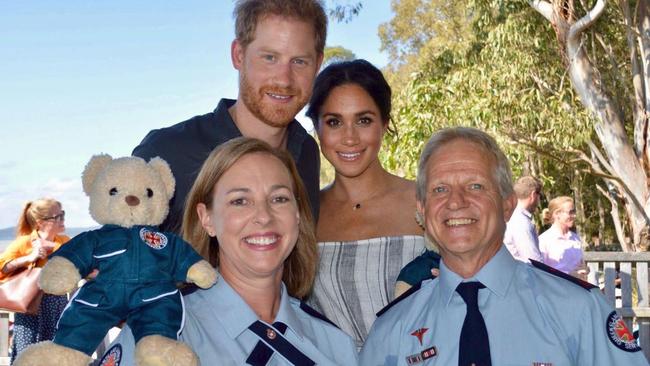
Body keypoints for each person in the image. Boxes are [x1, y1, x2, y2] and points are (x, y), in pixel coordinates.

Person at [360, 127, 648, 365]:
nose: (456, 201)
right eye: (440, 189)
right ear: (422, 209)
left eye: (475, 186)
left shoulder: (579, 310)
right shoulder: (392, 331)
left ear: (507, 204)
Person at [100, 137, 358, 365]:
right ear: (207, 218)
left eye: (279, 198)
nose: (264, 217)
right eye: (240, 201)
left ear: (298, 214)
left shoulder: (335, 345)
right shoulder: (160, 334)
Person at [132, 0, 327, 251]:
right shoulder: (167, 152)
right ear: (238, 55)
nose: (284, 79)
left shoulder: (307, 153)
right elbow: (124, 267)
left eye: (299, 61)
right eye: (269, 57)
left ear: (318, 64)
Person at [304, 59, 433, 348]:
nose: (350, 138)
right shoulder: (303, 215)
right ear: (317, 129)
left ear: (384, 124)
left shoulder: (426, 202)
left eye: (363, 120)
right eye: (334, 122)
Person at [0, 198, 70, 363]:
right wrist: (29, 258)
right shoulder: (24, 243)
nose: (63, 219)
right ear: (40, 223)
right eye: (57, 216)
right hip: (30, 306)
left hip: (57, 304)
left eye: (63, 214)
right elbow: (2, 268)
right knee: (27, 353)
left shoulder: (65, 242)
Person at [539, 195, 589, 279]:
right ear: (557, 214)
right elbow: (541, 273)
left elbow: (580, 265)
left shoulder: (575, 238)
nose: (574, 216)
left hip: (576, 289)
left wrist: (585, 269)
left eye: (574, 212)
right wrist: (569, 275)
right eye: (570, 212)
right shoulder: (544, 240)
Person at [503, 175, 543, 263]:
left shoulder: (511, 215)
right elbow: (534, 261)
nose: (539, 200)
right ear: (533, 195)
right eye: (540, 195)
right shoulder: (521, 221)